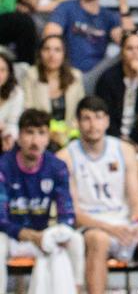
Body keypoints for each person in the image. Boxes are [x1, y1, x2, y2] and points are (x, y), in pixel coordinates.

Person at [60, 97, 138, 294]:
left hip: (123, 225)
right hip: (91, 227)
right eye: (86, 118)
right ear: (77, 122)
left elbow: (136, 200)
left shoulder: (124, 150)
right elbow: (74, 214)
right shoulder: (66, 157)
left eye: (98, 117)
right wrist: (110, 228)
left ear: (107, 121)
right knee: (98, 240)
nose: (93, 124)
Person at [0, 108, 84, 293]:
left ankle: (77, 289)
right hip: (13, 236)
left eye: (41, 133)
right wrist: (30, 235)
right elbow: (0, 219)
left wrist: (59, 233)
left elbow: (67, 213)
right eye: (29, 133)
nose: (35, 140)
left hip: (43, 235)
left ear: (48, 138)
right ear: (19, 137)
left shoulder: (57, 167)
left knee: (76, 239)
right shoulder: (3, 166)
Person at [44, 0, 132, 78]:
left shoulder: (108, 16)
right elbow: (49, 35)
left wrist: (123, 4)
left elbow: (129, 42)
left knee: (131, 52)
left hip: (98, 74)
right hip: (69, 72)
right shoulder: (66, 8)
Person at [94, 30, 138, 149]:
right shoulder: (108, 79)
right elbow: (104, 115)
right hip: (111, 141)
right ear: (122, 52)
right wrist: (121, 142)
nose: (135, 53)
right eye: (130, 48)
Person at [21, 35, 84, 148]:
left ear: (64, 54)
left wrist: (68, 135)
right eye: (47, 49)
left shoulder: (76, 76)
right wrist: (50, 133)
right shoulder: (31, 75)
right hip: (39, 134)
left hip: (70, 135)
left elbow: (80, 112)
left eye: (57, 50)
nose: (51, 55)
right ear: (40, 53)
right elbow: (28, 110)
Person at [0, 54, 25, 150]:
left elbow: (13, 123)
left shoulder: (16, 93)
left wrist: (9, 135)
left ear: (9, 73)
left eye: (2, 70)